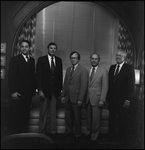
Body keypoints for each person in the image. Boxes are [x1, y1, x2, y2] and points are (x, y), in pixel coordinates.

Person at [8, 40, 36, 134]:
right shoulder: (15, 59)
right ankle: (16, 137)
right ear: (20, 48)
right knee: (17, 116)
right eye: (23, 46)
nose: (24, 48)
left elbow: (32, 76)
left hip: (28, 94)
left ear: (29, 48)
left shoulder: (32, 60)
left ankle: (24, 135)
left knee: (25, 115)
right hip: (18, 93)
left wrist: (33, 91)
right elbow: (11, 77)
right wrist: (13, 92)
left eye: (26, 46)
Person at [107, 49, 135, 142]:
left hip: (123, 100)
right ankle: (111, 138)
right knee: (112, 120)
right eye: (117, 55)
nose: (118, 57)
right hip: (112, 100)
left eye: (120, 56)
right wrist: (107, 99)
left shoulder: (129, 68)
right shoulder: (112, 67)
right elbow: (110, 85)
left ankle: (122, 140)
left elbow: (131, 85)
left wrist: (128, 100)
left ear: (124, 57)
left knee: (122, 121)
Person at [36, 42, 63, 135]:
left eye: (54, 48)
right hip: (44, 91)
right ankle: (41, 133)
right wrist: (39, 90)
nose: (53, 50)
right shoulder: (41, 59)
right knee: (43, 113)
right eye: (51, 48)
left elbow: (60, 76)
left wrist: (60, 90)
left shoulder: (59, 60)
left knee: (53, 113)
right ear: (48, 49)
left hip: (54, 92)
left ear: (56, 50)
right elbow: (38, 76)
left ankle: (53, 133)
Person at [61, 51, 88, 142]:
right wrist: (63, 95)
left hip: (77, 98)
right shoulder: (68, 69)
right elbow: (65, 83)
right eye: (72, 58)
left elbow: (84, 86)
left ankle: (78, 133)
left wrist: (80, 99)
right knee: (68, 116)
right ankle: (68, 131)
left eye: (75, 58)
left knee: (77, 117)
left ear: (78, 59)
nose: (73, 59)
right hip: (68, 97)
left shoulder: (83, 70)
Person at [85, 53, 109, 142]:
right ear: (90, 59)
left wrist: (102, 99)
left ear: (99, 60)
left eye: (96, 59)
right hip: (87, 98)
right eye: (92, 58)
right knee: (88, 118)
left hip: (97, 99)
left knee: (96, 119)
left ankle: (95, 135)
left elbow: (105, 86)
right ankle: (89, 132)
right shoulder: (87, 70)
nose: (94, 60)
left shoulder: (103, 71)